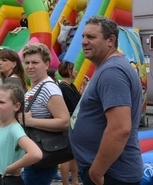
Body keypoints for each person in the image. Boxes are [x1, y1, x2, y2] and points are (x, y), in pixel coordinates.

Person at [69, 16, 143, 185]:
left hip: (111, 175)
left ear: (110, 40)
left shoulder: (113, 71)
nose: (84, 42)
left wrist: (96, 172)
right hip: (108, 173)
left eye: (91, 37)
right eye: (83, 36)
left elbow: (120, 129)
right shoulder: (107, 67)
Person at [21, 43, 70, 185]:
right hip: (34, 155)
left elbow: (64, 121)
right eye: (27, 62)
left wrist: (30, 122)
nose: (30, 66)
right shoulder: (36, 87)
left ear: (47, 64)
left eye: (35, 62)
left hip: (42, 158)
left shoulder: (48, 88)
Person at [0, 83, 42, 185]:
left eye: (1, 102)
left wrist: (12, 167)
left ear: (16, 106)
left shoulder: (14, 129)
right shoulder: (3, 124)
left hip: (3, 180)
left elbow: (36, 153)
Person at [58, 61, 81, 185]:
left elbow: (78, 100)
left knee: (73, 154)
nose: (76, 72)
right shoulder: (63, 87)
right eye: (74, 69)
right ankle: (66, 181)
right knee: (67, 155)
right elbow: (75, 104)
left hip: (74, 122)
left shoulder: (70, 86)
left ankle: (75, 180)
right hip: (68, 122)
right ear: (69, 71)